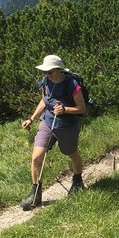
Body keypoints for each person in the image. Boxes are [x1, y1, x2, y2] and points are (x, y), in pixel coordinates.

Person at [20, 54, 86, 209]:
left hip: (67, 125)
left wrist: (65, 109)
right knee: (36, 157)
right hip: (48, 122)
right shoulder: (46, 81)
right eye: (45, 71)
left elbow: (82, 108)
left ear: (59, 70)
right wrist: (31, 118)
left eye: (50, 71)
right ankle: (35, 195)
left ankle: (77, 181)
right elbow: (44, 100)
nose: (47, 73)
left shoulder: (72, 84)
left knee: (72, 154)